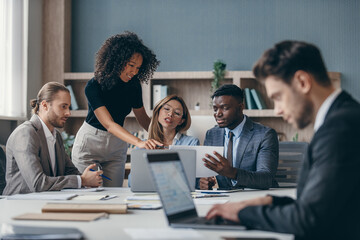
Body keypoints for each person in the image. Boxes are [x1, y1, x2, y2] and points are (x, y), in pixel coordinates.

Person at [206, 41, 360, 240]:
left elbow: (308, 219)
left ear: (302, 82)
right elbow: (317, 205)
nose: (277, 109)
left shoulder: (340, 128)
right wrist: (268, 201)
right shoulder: (341, 118)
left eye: (278, 96)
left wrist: (241, 213)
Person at [71, 32, 162, 187]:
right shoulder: (94, 86)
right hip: (90, 144)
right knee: (87, 195)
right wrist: (139, 142)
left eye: (138, 68)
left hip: (116, 146)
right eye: (131, 65)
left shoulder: (134, 85)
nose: (134, 72)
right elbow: (109, 124)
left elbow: (143, 118)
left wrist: (160, 138)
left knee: (114, 193)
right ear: (117, 60)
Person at [3, 82, 102, 195]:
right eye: (63, 106)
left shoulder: (56, 135)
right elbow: (38, 183)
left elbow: (69, 170)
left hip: (46, 201)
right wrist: (82, 180)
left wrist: (88, 178)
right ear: (44, 105)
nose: (68, 113)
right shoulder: (25, 133)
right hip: (19, 204)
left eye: (68, 107)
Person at [199, 84, 279, 190]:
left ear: (240, 107)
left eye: (225, 108)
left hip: (255, 198)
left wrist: (232, 172)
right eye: (215, 109)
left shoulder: (265, 135)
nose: (218, 114)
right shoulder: (212, 134)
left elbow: (265, 179)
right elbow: (206, 173)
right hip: (223, 199)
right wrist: (204, 182)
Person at [127, 95, 200, 187]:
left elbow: (195, 182)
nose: (170, 114)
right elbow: (132, 184)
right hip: (148, 196)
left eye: (177, 113)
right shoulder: (143, 145)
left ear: (181, 121)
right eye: (166, 109)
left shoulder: (191, 143)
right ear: (158, 113)